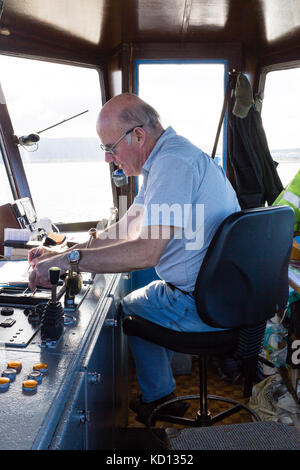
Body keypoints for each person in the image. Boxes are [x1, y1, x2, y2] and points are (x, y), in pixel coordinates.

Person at [28, 92, 240, 424]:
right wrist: (64, 253)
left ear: (138, 135)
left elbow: (144, 250)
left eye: (110, 148)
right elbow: (126, 228)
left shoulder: (172, 164)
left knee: (132, 307)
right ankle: (163, 390)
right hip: (221, 293)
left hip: (201, 302)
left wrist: (68, 263)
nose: (108, 159)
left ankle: (160, 397)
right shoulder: (166, 160)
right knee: (144, 300)